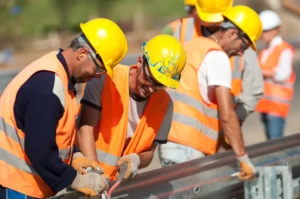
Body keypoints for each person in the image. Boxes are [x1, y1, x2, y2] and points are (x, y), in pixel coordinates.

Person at [0, 18, 128, 198]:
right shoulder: (48, 87)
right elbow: (40, 151)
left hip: (24, 184)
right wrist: (75, 179)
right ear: (83, 53)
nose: (96, 76)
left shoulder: (60, 73)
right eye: (98, 69)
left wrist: (75, 156)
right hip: (14, 185)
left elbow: (53, 132)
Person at [160, 5, 262, 181]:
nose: (240, 53)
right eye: (243, 47)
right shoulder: (217, 56)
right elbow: (227, 115)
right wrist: (243, 159)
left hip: (169, 143)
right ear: (232, 34)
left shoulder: (193, 45)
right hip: (188, 147)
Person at [76, 34, 186, 181]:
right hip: (86, 175)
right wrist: (93, 174)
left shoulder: (165, 105)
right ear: (140, 62)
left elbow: (150, 152)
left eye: (159, 84)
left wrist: (137, 159)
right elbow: (85, 129)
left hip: (120, 186)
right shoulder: (107, 78)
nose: (152, 89)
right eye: (150, 79)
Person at [256, 10, 295, 140]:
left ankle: (283, 162)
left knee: (275, 145)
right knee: (270, 143)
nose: (263, 34)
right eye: (262, 31)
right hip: (265, 105)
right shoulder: (265, 50)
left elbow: (282, 74)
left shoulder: (284, 49)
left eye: (266, 31)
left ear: (276, 30)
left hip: (277, 107)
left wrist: (260, 71)